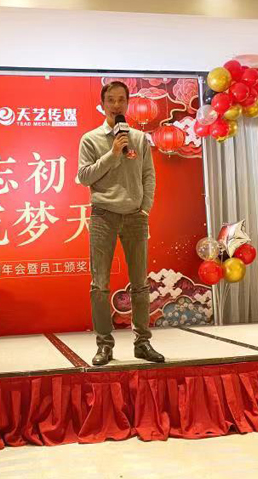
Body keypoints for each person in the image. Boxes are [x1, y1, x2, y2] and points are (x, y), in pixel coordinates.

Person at [77, 81, 164, 366]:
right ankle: (104, 345)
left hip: (135, 216)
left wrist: (145, 208)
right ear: (102, 104)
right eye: (111, 100)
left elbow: (148, 175)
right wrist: (113, 153)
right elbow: (84, 176)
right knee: (99, 285)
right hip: (103, 215)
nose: (116, 105)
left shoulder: (138, 138)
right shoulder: (90, 139)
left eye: (121, 100)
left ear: (127, 103)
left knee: (140, 284)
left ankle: (143, 343)